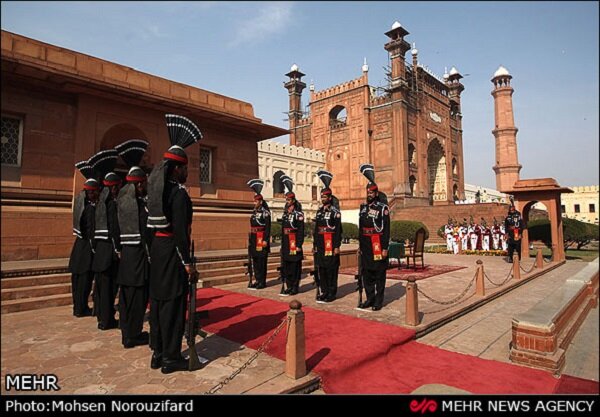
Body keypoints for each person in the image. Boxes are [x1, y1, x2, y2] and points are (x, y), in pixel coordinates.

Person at [147, 114, 202, 374]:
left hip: (158, 252)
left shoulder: (157, 192)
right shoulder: (178, 195)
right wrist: (188, 264)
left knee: (157, 303)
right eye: (186, 167)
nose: (187, 172)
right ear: (177, 168)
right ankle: (171, 357)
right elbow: (181, 233)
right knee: (173, 305)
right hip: (172, 254)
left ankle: (157, 352)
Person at [115, 139, 151, 349]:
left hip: (126, 258)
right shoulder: (137, 205)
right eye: (143, 183)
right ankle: (133, 334)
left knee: (126, 299)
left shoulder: (122, 201)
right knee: (136, 299)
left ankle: (127, 333)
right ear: (138, 184)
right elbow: (145, 231)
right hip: (137, 259)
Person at [89, 149, 121, 331]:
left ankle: (101, 317)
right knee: (108, 288)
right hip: (109, 253)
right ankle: (107, 320)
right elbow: (114, 230)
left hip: (99, 251)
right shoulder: (111, 206)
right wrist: (118, 249)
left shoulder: (99, 205)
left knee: (101, 287)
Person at [68, 160, 99, 318]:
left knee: (77, 282)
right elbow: (92, 230)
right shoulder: (90, 210)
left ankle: (77, 307)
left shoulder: (82, 206)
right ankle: (81, 308)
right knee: (83, 282)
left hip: (78, 249)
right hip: (86, 249)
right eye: (93, 192)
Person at [357, 164, 390, 311]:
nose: (369, 194)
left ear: (376, 193)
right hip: (366, 246)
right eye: (367, 192)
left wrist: (384, 248)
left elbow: (386, 229)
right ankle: (369, 298)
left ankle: (378, 300)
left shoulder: (382, 209)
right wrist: (360, 246)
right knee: (367, 274)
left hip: (377, 244)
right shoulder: (363, 208)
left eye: (371, 192)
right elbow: (361, 228)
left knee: (378, 274)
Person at [313, 170, 342, 303]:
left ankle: (331, 292)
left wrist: (337, 246)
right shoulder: (319, 212)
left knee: (331, 269)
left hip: (331, 243)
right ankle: (324, 291)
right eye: (322, 197)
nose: (322, 199)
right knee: (322, 269)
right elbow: (316, 230)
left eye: (324, 197)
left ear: (329, 198)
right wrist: (314, 245)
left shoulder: (335, 213)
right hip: (321, 245)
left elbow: (338, 231)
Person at [279, 174, 304, 296]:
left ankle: (295, 286)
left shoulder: (298, 214)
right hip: (286, 243)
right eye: (286, 200)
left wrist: (299, 244)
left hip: (294, 241)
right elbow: (283, 230)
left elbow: (301, 230)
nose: (287, 202)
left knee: (294, 265)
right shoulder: (285, 214)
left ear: (293, 201)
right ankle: (288, 286)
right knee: (287, 265)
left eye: (289, 200)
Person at [247, 178, 271, 290]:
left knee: (262, 261)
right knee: (255, 260)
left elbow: (268, 228)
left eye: (256, 201)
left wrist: (266, 239)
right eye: (254, 201)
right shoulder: (253, 212)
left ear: (260, 202)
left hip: (262, 238)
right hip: (254, 238)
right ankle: (257, 280)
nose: (254, 203)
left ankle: (262, 281)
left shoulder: (265, 213)